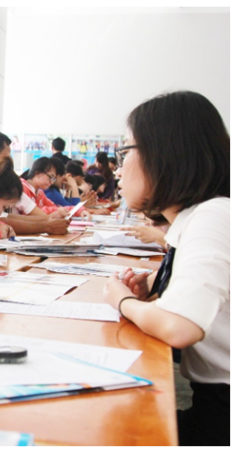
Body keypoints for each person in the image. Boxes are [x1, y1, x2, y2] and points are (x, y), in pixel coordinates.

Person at [102, 91, 229, 446]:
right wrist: (154, 296)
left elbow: (180, 327)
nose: (118, 168)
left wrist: (124, 301)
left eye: (124, 152)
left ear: (164, 154)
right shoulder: (201, 217)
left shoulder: (213, 216)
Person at [0, 130, 69, 235]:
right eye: (6, 157)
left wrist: (48, 219)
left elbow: (2, 218)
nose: (8, 164)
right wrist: (46, 224)